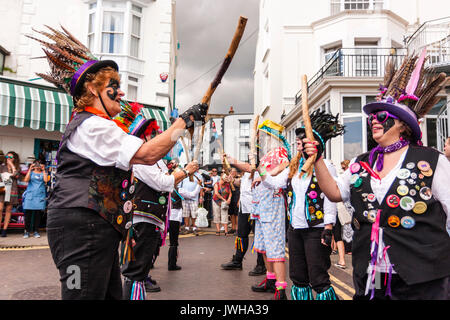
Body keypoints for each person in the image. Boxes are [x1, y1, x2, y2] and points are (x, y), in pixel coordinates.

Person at [29, 26, 208, 300]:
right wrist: (183, 122)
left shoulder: (97, 126)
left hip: (94, 229)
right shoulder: (94, 126)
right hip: (81, 229)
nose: (121, 93)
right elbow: (148, 154)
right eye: (114, 87)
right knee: (82, 294)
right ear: (92, 89)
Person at [303, 52, 450, 299]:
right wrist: (317, 158)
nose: (374, 121)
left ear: (404, 124)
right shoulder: (362, 162)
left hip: (423, 273)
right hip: (374, 271)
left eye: (382, 116)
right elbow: (335, 193)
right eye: (372, 117)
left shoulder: (432, 160)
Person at [258, 110, 344, 300]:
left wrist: (328, 227)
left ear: (313, 144)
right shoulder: (294, 167)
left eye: (302, 140)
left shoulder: (325, 165)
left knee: (318, 277)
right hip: (295, 229)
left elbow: (330, 197)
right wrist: (261, 168)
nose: (297, 142)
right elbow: (274, 183)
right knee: (298, 277)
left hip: (316, 228)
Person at [118, 104, 200, 300]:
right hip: (141, 220)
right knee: (135, 272)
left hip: (149, 220)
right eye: (152, 133)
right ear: (144, 137)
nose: (156, 136)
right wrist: (186, 171)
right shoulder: (140, 159)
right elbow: (163, 182)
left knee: (139, 269)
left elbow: (165, 173)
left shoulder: (152, 160)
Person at [240, 120, 292, 300]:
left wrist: (263, 174)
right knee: (262, 246)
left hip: (272, 205)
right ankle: (270, 280)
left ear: (271, 137)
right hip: (259, 206)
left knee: (274, 246)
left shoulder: (280, 152)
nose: (259, 139)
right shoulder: (266, 154)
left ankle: (281, 288)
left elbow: (284, 167)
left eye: (262, 135)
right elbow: (260, 172)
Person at [220, 155, 267, 276]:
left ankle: (261, 265)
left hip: (256, 209)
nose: (249, 159)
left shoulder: (259, 170)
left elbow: (248, 168)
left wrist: (231, 160)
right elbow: (241, 183)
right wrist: (231, 180)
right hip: (244, 208)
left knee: (259, 238)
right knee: (241, 236)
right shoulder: (247, 173)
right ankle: (237, 261)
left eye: (251, 157)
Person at [22, 159, 48, 238]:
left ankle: (36, 231)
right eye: (36, 164)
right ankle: (27, 231)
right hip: (30, 195)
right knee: (28, 215)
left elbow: (46, 180)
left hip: (39, 196)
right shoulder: (31, 172)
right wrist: (30, 169)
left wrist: (43, 171)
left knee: (37, 215)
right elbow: (26, 180)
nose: (38, 165)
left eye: (39, 164)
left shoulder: (44, 173)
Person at [0, 151, 20, 237]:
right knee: (0, 209)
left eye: (10, 157)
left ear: (14, 159)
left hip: (12, 189)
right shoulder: (1, 166)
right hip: (2, 189)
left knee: (8, 210)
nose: (8, 158)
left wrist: (12, 166)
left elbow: (16, 176)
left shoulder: (17, 167)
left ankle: (4, 230)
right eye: (7, 157)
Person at [179, 169, 203, 235]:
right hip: (184, 198)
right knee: (185, 214)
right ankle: (187, 228)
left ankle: (194, 228)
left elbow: (201, 187)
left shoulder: (199, 176)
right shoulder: (184, 175)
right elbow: (179, 186)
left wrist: (201, 197)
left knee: (194, 214)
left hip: (194, 198)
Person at [227, 167, 240, 234]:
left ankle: (237, 228)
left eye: (234, 172)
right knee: (231, 214)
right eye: (231, 172)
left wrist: (239, 200)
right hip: (230, 197)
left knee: (236, 213)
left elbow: (241, 189)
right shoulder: (228, 179)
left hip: (237, 196)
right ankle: (233, 228)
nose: (232, 173)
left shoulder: (239, 179)